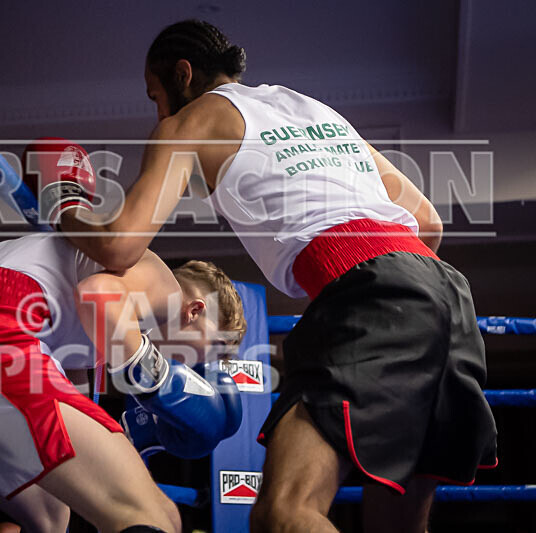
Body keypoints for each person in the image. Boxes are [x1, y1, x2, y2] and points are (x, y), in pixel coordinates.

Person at [45, 19, 498, 533]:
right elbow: (427, 224)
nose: (159, 111)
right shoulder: (319, 111)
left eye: (156, 95)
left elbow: (119, 245)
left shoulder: (192, 120)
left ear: (183, 73)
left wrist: (63, 198)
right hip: (448, 298)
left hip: (373, 295)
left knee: (285, 513)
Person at [0, 141, 246, 533]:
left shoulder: (94, 340)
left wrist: (133, 431)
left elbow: (68, 411)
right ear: (195, 311)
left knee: (52, 519)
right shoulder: (164, 288)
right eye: (210, 350)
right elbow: (98, 297)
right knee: (158, 517)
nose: (195, 365)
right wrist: (161, 382)